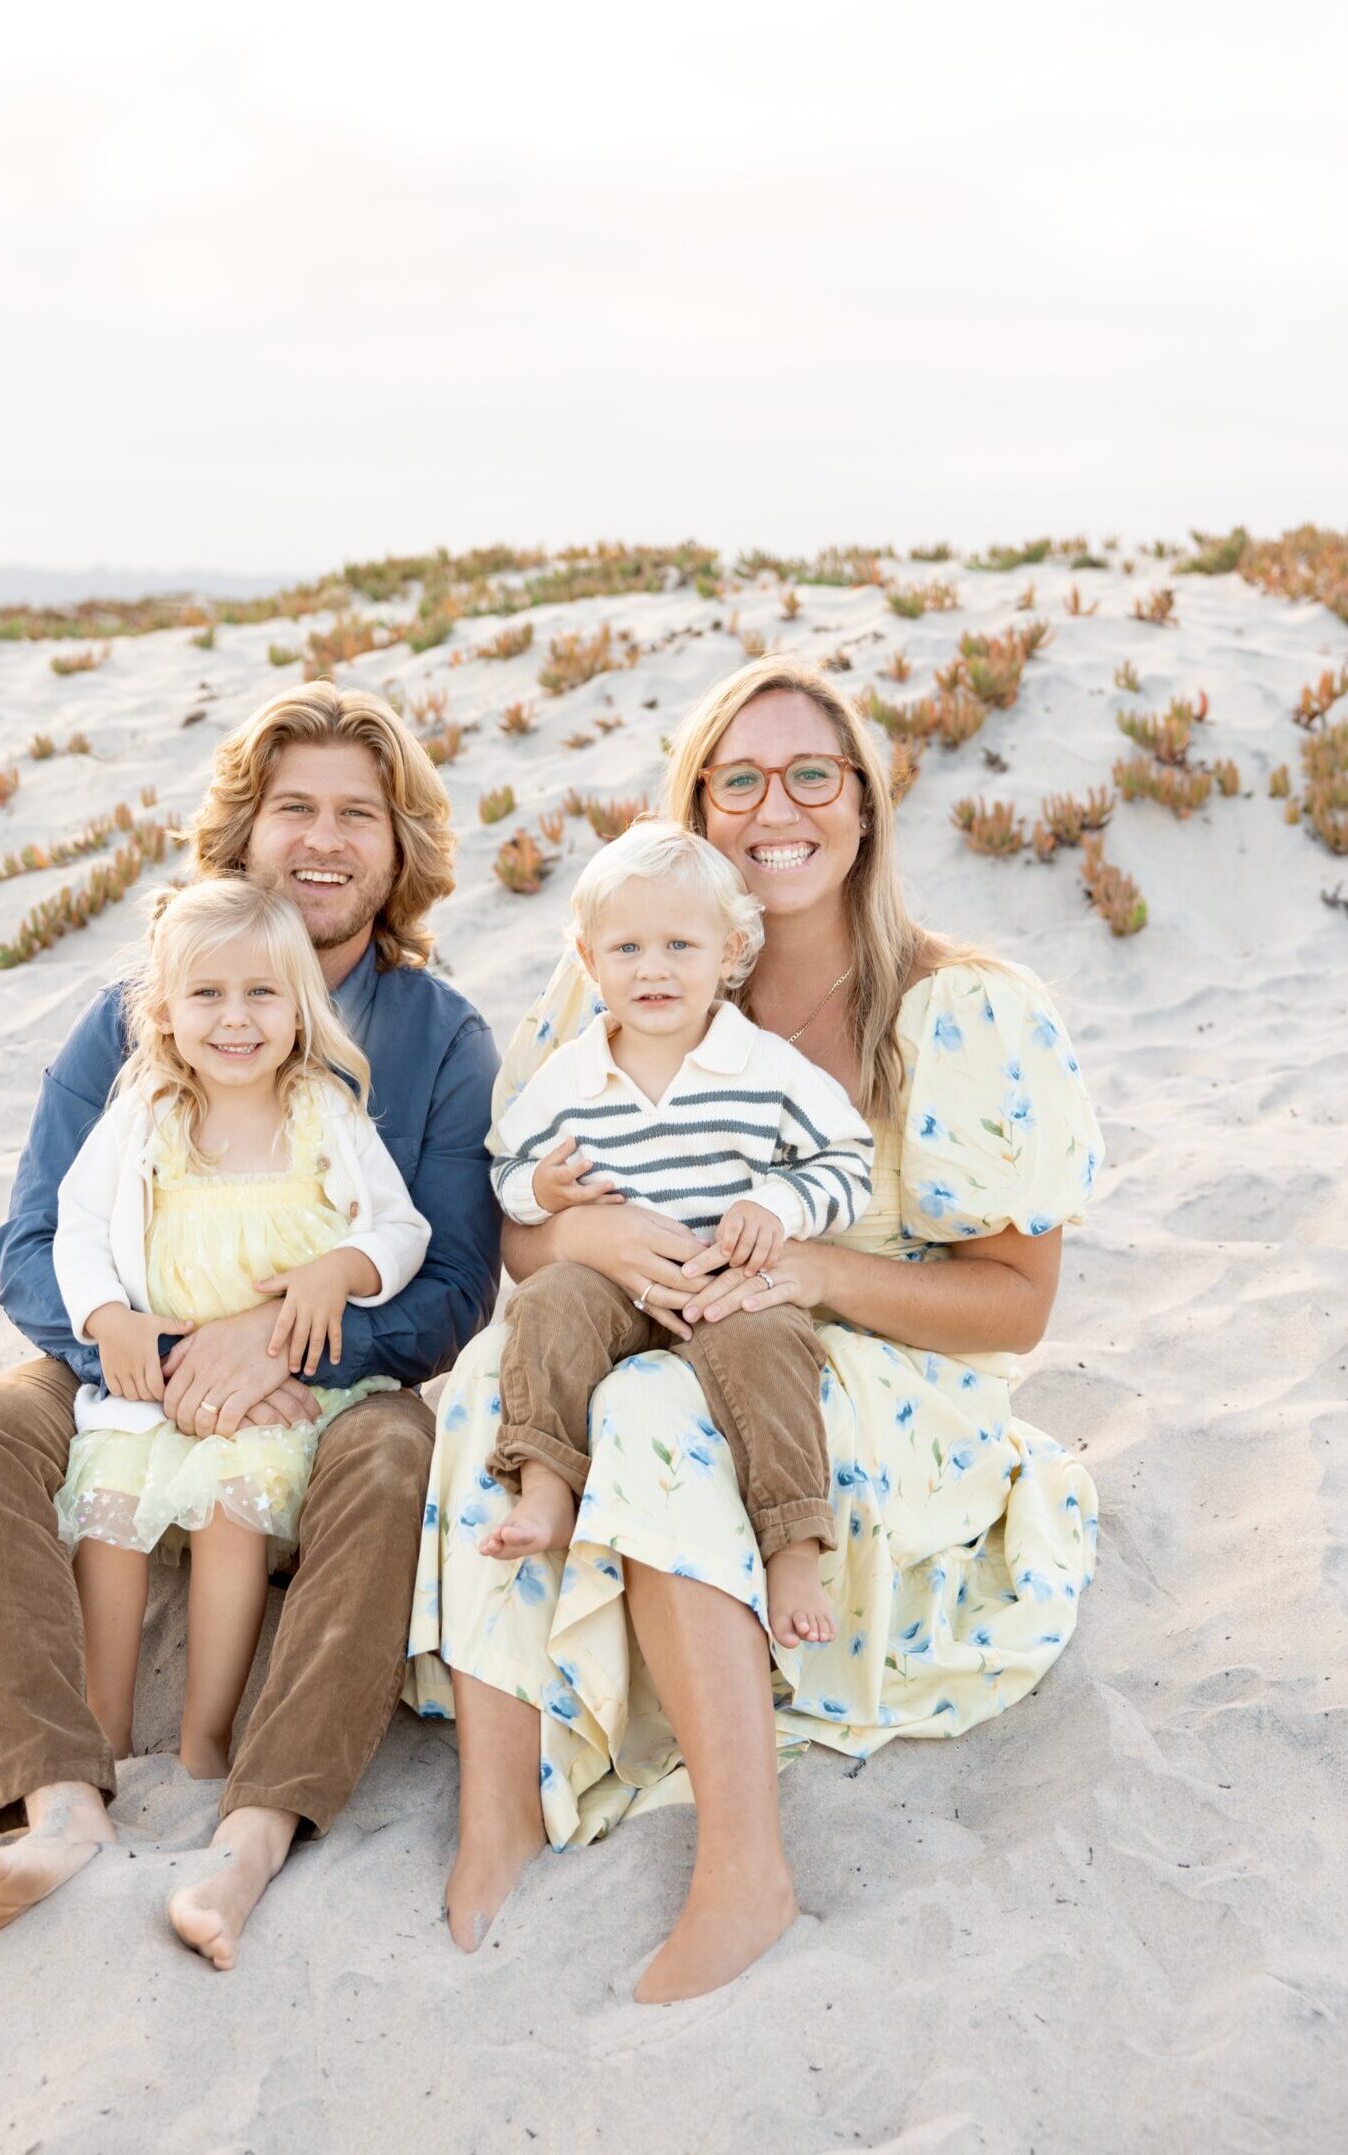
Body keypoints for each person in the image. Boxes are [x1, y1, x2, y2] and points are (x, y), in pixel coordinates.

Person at [408, 654, 1103, 2003]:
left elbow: (1012, 1299)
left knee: (656, 1410)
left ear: (862, 803)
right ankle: (495, 1802)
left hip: (879, 1365)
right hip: (651, 1314)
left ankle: (743, 1866)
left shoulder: (961, 1008)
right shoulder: (631, 967)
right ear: (699, 807)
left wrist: (808, 1273)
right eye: (737, 777)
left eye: (809, 774)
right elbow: (528, 1227)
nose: (773, 803)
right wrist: (586, 1238)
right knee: (499, 1373)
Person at [0, 682, 502, 1968]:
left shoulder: (440, 1036)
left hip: (333, 1387)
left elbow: (455, 1282)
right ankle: (59, 1799)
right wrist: (149, 1349)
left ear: (399, 848)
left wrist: (289, 1346)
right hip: (124, 1359)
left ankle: (251, 1826)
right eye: (293, 806)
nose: (324, 839)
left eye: (360, 813)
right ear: (243, 833)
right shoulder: (140, 1010)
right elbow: (32, 1241)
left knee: (397, 1457)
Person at [52, 878, 430, 1782]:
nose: (235, 1019)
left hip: (278, 1390)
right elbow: (76, 1223)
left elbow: (400, 1228)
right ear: (165, 1012)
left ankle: (206, 1731)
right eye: (207, 995)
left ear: (299, 1011)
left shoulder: (323, 1114)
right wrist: (110, 1319)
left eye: (261, 993)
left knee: (231, 1508)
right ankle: (103, 1723)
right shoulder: (148, 1112)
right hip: (160, 1383)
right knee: (108, 1510)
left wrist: (340, 1270)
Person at [478, 819, 876, 1652]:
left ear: (729, 953)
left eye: (678, 946)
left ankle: (794, 1544)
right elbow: (506, 1173)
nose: (651, 968)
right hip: (611, 1292)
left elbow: (847, 1157)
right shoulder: (571, 1076)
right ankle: (546, 1480)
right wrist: (542, 1189)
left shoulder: (761, 1066)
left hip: (725, 1284)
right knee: (547, 1302)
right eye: (624, 949)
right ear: (588, 961)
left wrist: (779, 1205)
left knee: (772, 1346)